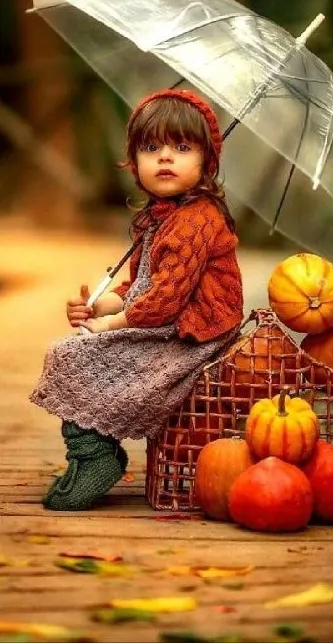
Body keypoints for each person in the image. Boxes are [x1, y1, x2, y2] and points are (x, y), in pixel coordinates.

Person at [30, 88, 244, 511]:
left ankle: (95, 456)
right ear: (134, 161)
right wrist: (100, 305)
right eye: (151, 147)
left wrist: (110, 325)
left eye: (181, 147)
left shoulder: (198, 219)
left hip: (191, 337)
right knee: (76, 350)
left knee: (76, 355)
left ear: (206, 161)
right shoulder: (158, 218)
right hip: (160, 324)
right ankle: (93, 452)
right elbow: (139, 287)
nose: (165, 157)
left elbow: (164, 300)